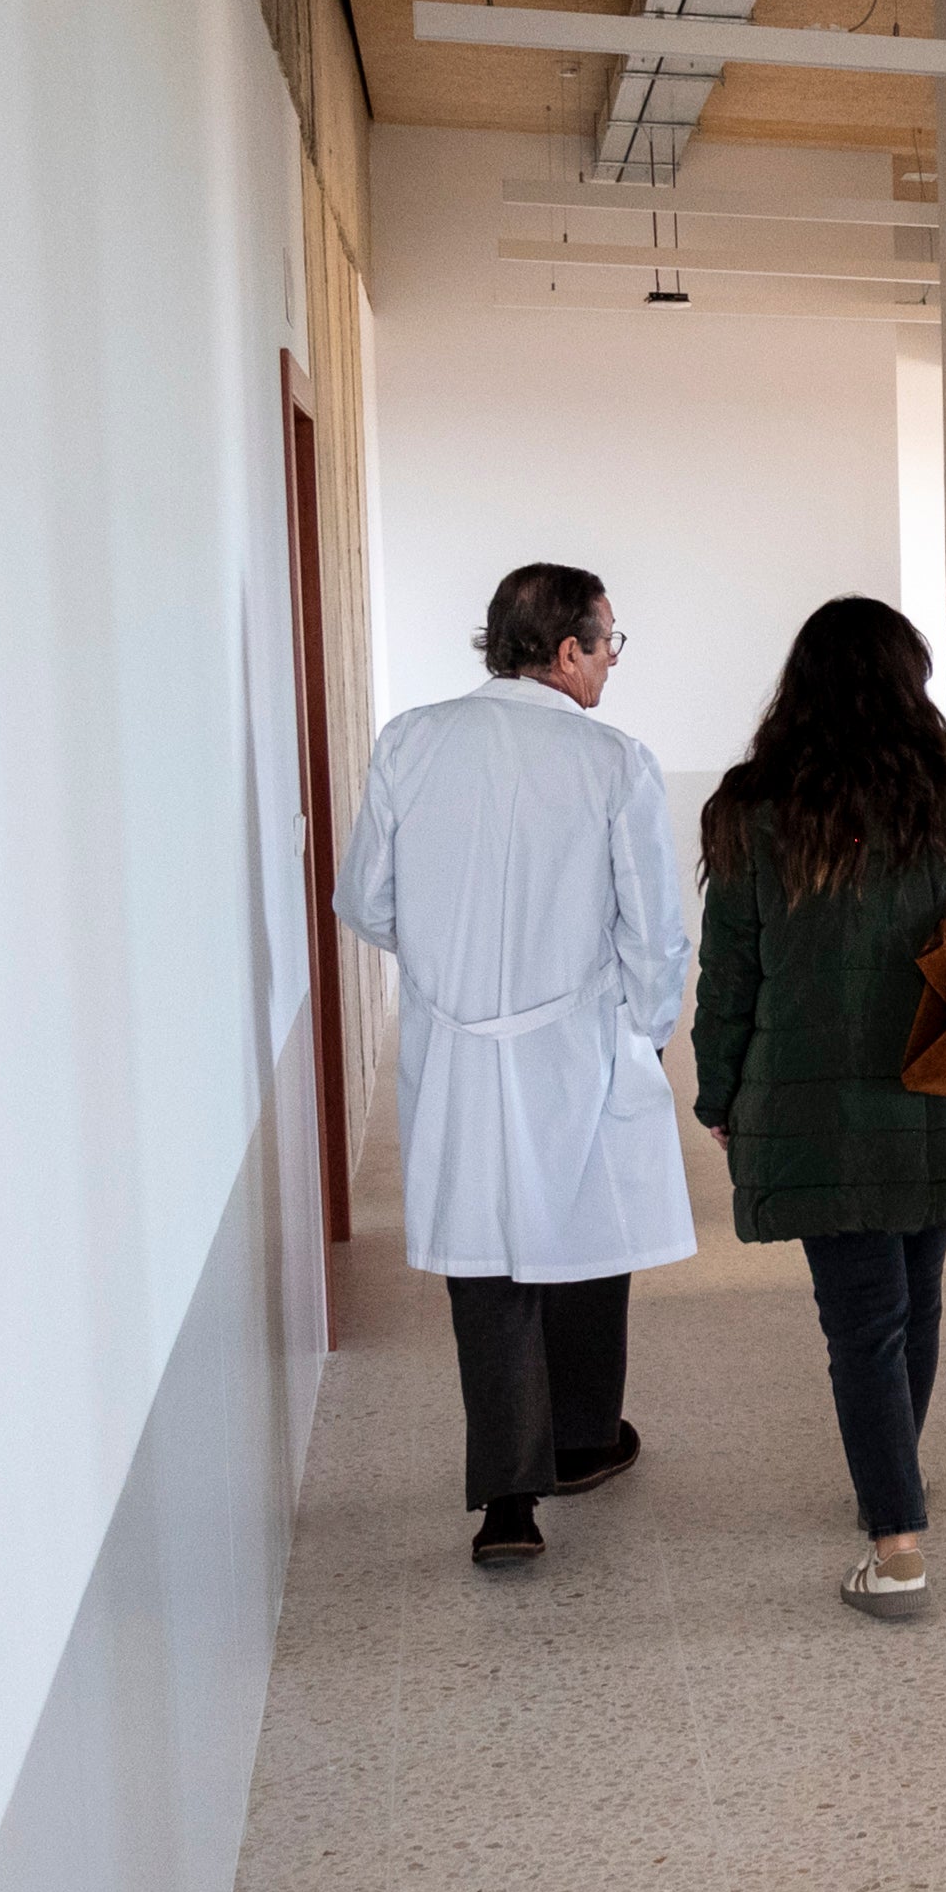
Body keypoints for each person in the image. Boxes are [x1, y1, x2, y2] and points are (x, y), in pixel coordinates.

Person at [331, 562, 697, 1568]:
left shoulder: (411, 740)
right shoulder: (613, 761)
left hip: (454, 1047)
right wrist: (646, 1031)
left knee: (482, 1262)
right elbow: (654, 931)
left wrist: (449, 968)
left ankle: (507, 1502)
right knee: (585, 1227)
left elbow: (362, 900)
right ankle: (582, 1437)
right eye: (607, 643)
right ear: (567, 649)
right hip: (575, 1038)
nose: (611, 664)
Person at [692, 597, 946, 1622]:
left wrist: (720, 1088)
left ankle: (896, 1543)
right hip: (939, 1086)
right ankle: (894, 1476)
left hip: (811, 1102)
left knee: (863, 1320)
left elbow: (734, 971)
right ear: (910, 682)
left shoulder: (756, 803)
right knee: (912, 1296)